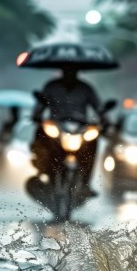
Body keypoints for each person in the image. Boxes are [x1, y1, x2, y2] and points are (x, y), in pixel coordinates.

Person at [28, 67, 102, 201]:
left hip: (80, 129)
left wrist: (105, 120)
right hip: (56, 128)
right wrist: (36, 115)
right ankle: (41, 167)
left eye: (72, 70)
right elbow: (39, 107)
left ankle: (86, 183)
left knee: (93, 143)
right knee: (40, 136)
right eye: (67, 70)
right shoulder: (51, 87)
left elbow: (99, 108)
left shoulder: (86, 88)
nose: (70, 73)